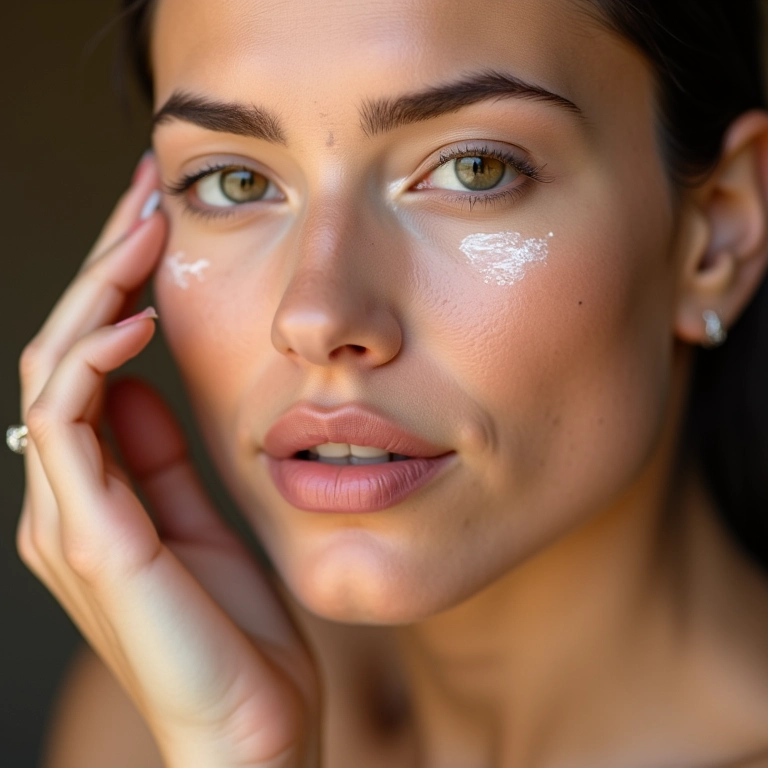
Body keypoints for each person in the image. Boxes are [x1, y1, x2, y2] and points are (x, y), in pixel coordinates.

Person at [9, 0, 768, 765]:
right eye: (233, 181)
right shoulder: (160, 716)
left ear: (719, 235)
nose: (314, 315)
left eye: (475, 169)